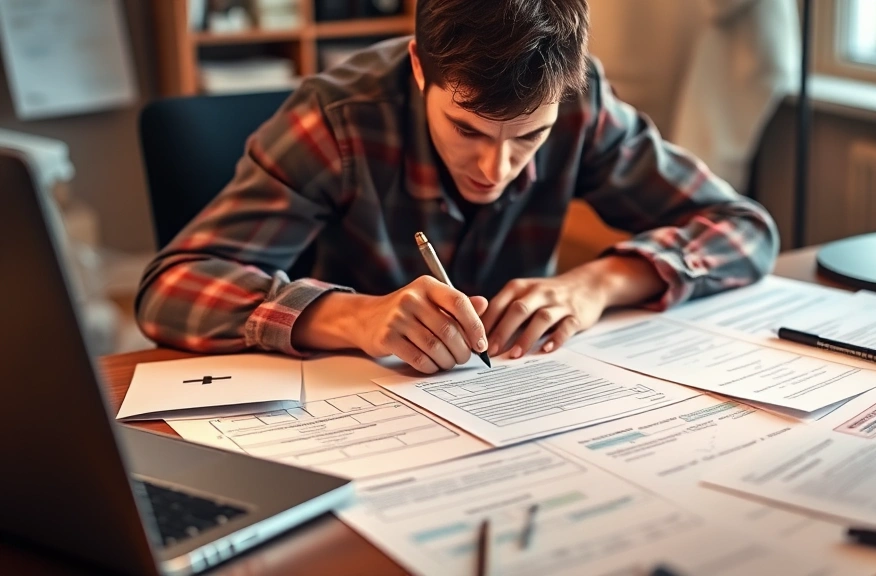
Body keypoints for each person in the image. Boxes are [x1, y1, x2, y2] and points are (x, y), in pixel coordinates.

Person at [136, 0, 779, 374]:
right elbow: (169, 291)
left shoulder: (583, 106)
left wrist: (596, 284)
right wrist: (354, 315)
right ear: (420, 67)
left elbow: (745, 227)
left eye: (530, 137)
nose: (496, 171)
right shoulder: (338, 119)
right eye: (468, 129)